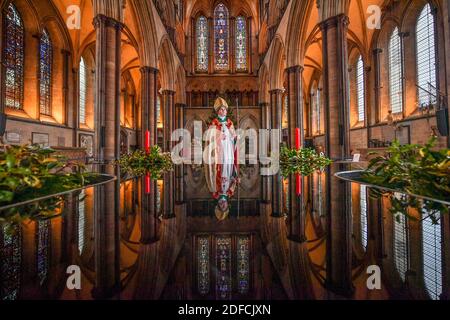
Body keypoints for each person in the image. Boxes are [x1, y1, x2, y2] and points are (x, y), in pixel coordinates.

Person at [204, 97, 239, 221]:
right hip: (219, 148)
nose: (222, 112)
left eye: (224, 110)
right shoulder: (214, 122)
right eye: (220, 110)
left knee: (228, 160)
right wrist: (218, 135)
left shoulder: (230, 122)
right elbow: (210, 135)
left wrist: (234, 136)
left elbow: (234, 135)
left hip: (228, 146)